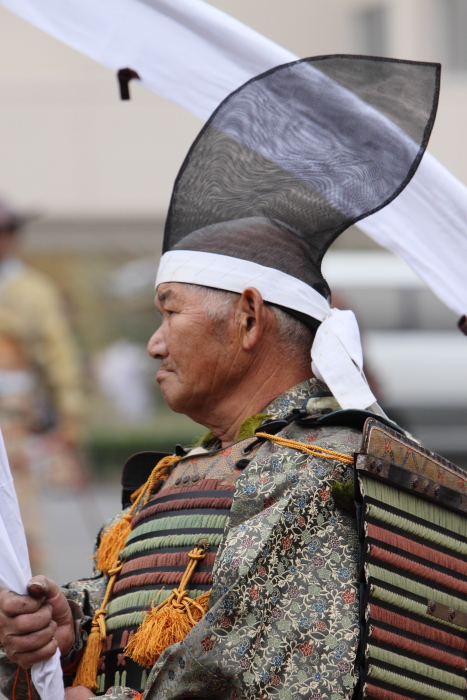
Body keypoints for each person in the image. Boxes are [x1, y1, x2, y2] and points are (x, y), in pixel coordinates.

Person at [0, 56, 440, 700]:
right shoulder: (191, 469)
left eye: (169, 311)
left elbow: (280, 680)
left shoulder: (320, 477)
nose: (152, 345)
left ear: (249, 317)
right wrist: (71, 622)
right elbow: (152, 613)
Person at [0, 198, 86, 571]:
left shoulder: (35, 291)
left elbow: (59, 354)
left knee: (18, 510)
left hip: (15, 410)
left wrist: (70, 413)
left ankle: (25, 600)